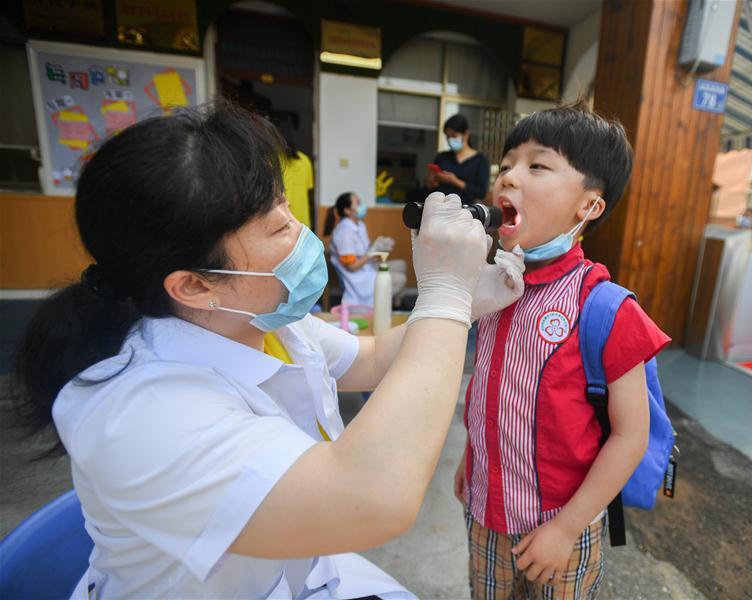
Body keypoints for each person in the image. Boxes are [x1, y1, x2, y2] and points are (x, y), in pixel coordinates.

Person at [11, 101, 525, 598]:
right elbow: (373, 497)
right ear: (193, 286)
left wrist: (469, 303)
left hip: (292, 575)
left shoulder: (263, 320)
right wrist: (444, 296)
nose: (301, 232)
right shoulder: (139, 416)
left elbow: (368, 359)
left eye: (286, 206)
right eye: (278, 226)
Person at [453, 101, 672, 599]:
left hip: (561, 531)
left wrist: (566, 529)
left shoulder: (605, 307)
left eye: (537, 165)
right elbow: (491, 390)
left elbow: (630, 436)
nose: (508, 177)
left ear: (589, 206)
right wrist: (471, 461)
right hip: (486, 514)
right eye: (506, 164)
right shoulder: (493, 287)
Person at [323, 192, 407, 307]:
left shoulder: (359, 225)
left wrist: (380, 245)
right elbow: (352, 267)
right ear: (347, 210)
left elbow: (363, 248)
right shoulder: (344, 232)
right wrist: (372, 251)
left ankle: (393, 302)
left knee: (401, 265)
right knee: (400, 279)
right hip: (357, 277)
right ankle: (382, 305)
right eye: (358, 204)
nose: (362, 207)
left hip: (366, 267)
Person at [425, 114, 490, 205]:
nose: (450, 139)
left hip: (467, 211)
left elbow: (481, 192)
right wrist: (431, 181)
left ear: (466, 135)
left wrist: (454, 181)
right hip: (441, 208)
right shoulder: (442, 157)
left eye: (454, 136)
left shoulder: (480, 160)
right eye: (448, 136)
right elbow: (429, 186)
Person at [276, 118, 315, 228]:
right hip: (302, 222)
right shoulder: (305, 160)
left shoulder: (272, 161)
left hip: (282, 222)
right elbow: (309, 190)